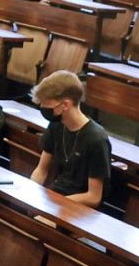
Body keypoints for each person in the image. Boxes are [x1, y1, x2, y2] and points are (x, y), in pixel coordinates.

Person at [28, 71, 112, 209]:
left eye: (47, 103)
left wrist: (56, 203)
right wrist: (31, 192)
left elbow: (94, 197)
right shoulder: (56, 125)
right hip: (57, 198)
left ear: (65, 105)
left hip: (80, 208)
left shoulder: (96, 139)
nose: (43, 107)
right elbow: (41, 170)